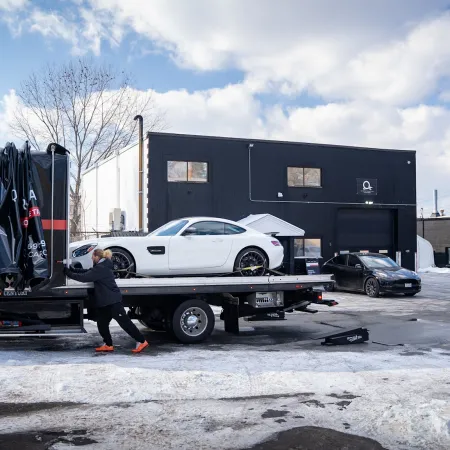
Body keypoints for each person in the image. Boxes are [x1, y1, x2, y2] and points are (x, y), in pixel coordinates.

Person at [64, 248, 149, 353]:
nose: (91, 258)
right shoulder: (100, 266)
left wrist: (69, 273)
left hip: (113, 301)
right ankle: (108, 345)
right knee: (102, 324)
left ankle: (142, 341)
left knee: (125, 323)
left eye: (92, 256)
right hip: (105, 302)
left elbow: (85, 277)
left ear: (97, 257)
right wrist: (73, 270)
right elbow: (88, 271)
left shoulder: (101, 268)